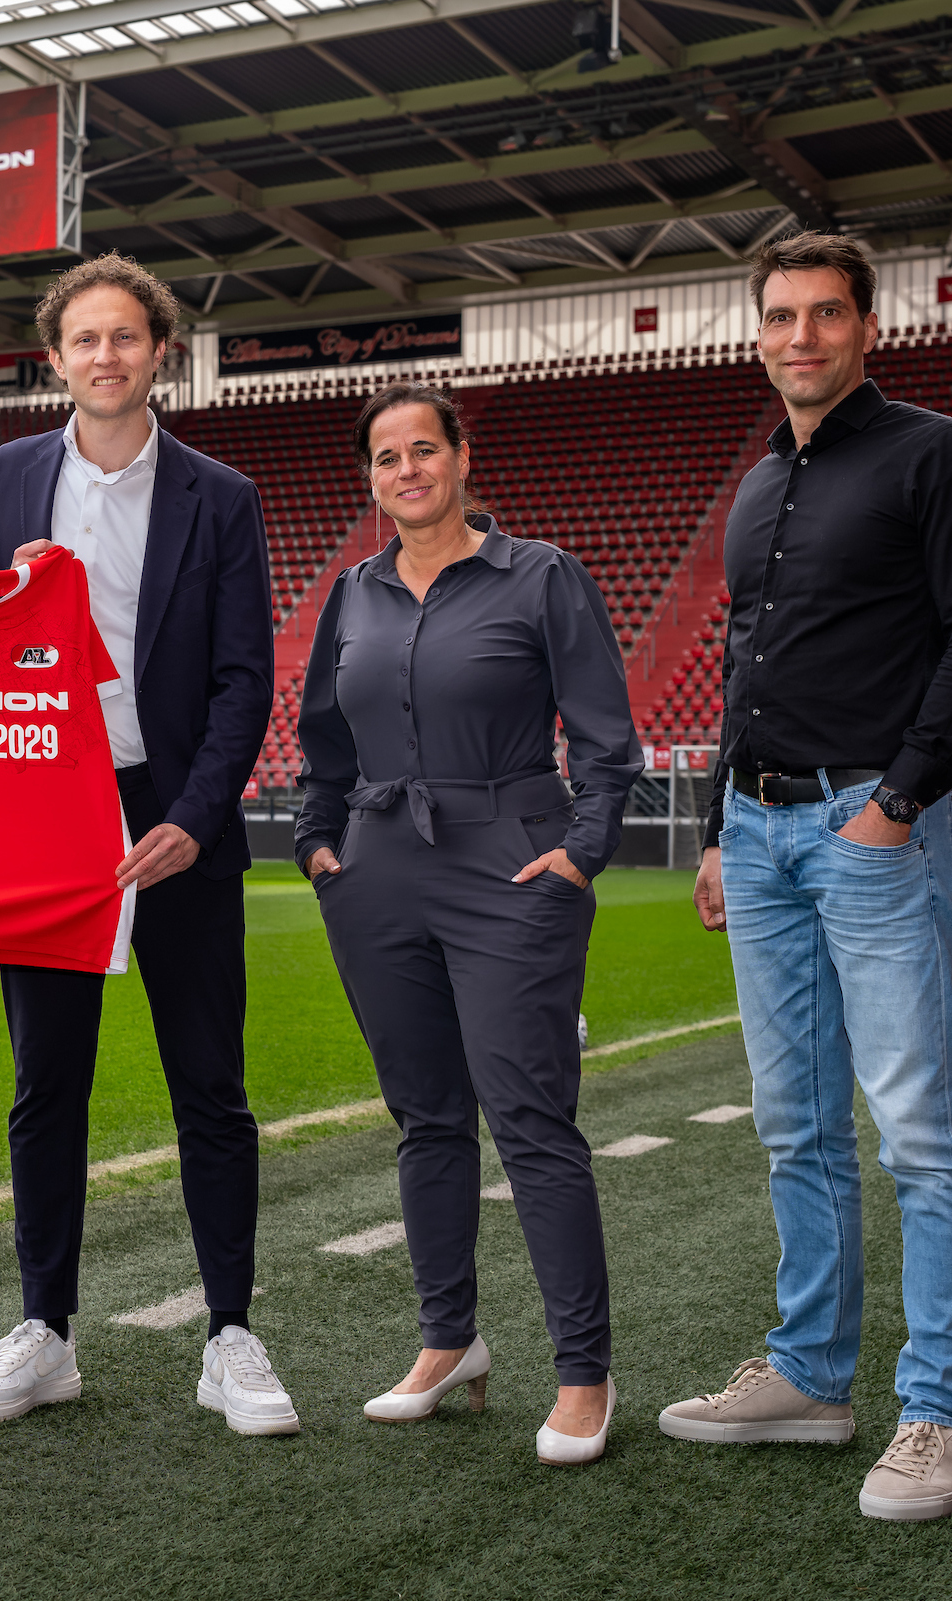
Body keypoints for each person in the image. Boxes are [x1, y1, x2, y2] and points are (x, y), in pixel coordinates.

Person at [665, 233, 952, 1522]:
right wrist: (718, 827)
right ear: (757, 332)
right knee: (795, 1121)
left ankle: (938, 1415)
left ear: (870, 326)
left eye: (825, 313)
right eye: (780, 315)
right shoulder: (762, 481)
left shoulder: (940, 454)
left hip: (871, 823)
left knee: (920, 1128)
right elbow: (746, 667)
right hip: (758, 832)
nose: (801, 336)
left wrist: (898, 800)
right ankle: (812, 1376)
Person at [0, 253, 282, 1435]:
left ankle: (230, 1332)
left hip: (173, 813)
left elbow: (245, 677)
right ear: (57, 358)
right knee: (47, 1083)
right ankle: (46, 1330)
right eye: (84, 338)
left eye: (125, 336)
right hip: (46, 814)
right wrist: (1, 588)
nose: (105, 355)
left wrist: (194, 813)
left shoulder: (220, 495)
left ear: (158, 352)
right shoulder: (13, 472)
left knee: (210, 1083)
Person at [294, 381, 640, 1465]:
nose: (407, 470)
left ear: (460, 456)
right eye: (386, 456)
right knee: (426, 1118)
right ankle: (449, 1340)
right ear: (370, 477)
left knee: (530, 1117)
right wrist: (320, 844)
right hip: (376, 868)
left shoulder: (540, 575)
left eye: (424, 449)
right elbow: (322, 741)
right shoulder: (352, 593)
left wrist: (580, 853)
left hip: (510, 859)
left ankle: (583, 1372)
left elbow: (607, 739)